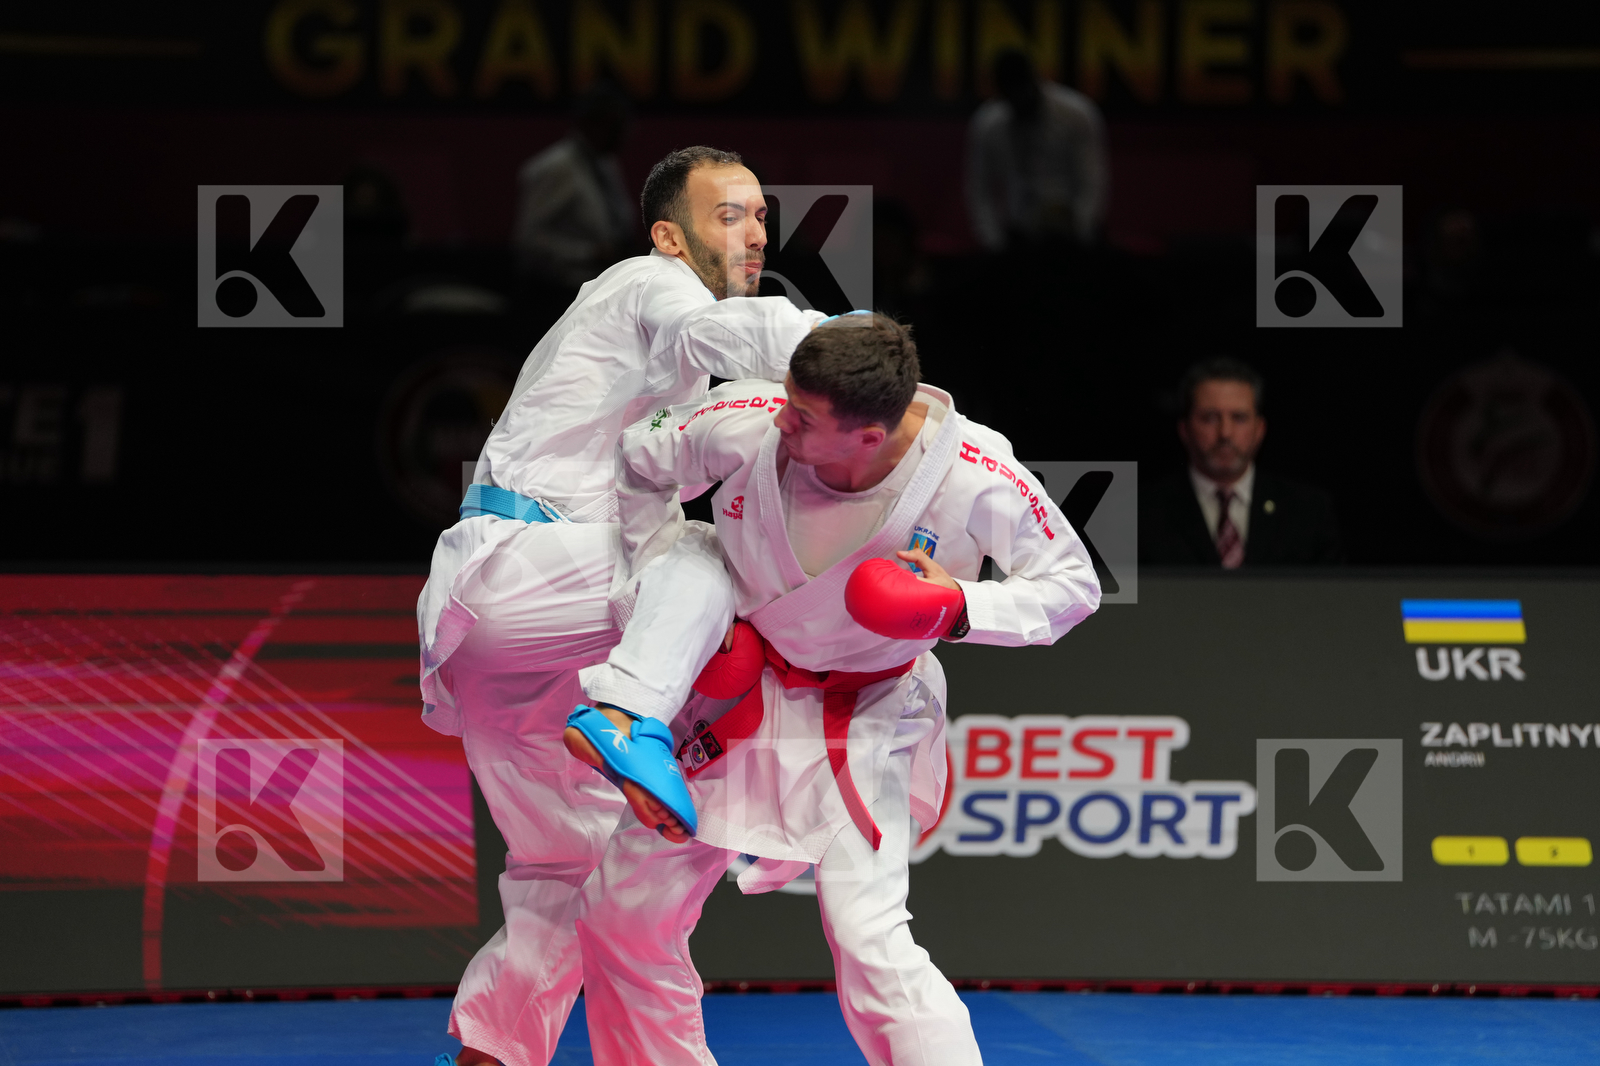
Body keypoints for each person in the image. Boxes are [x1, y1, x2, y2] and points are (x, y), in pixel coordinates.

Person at [566, 314, 1101, 1064]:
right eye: (787, 398)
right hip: (736, 687)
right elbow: (638, 456)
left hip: (865, 713)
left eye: (805, 418)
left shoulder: (977, 474)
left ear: (869, 437)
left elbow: (1073, 587)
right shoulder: (747, 421)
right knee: (622, 913)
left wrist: (960, 606)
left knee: (869, 938)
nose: (782, 418)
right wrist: (667, 594)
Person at [419, 145, 824, 1066]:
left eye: (762, 214)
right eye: (731, 215)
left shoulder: (659, 368)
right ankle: (772, 798)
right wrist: (839, 350)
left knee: (571, 878)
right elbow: (717, 340)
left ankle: (491, 1057)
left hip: (496, 636)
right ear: (669, 234)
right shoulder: (650, 286)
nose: (755, 231)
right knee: (719, 563)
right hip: (538, 567)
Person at [1140, 358, 1343, 567]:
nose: (1225, 433)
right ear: (1184, 429)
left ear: (1260, 429)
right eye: (1210, 418)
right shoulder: (1141, 515)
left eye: (1239, 418)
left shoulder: (1308, 512)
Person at [965, 48, 1107, 251]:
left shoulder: (1076, 114)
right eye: (1009, 95)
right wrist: (992, 241)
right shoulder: (988, 124)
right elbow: (979, 189)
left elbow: (1092, 183)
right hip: (1015, 234)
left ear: (1034, 81)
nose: (1017, 101)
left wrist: (1080, 234)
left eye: (1021, 91)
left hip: (1068, 233)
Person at [513, 81, 636, 293]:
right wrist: (589, 253)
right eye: (616, 127)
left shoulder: (605, 163)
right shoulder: (556, 167)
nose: (624, 136)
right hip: (558, 293)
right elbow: (528, 240)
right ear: (592, 124)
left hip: (599, 288)